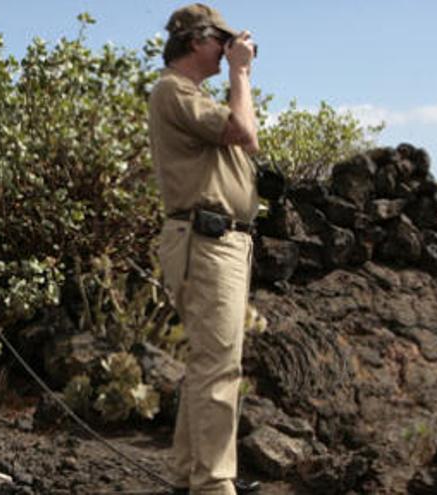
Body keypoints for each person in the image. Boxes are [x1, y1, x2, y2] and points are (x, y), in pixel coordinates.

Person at [149, 4, 261, 495]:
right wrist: (240, 72)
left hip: (218, 239)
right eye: (221, 41)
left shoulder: (189, 95)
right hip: (207, 239)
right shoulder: (173, 90)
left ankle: (190, 475)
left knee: (207, 364)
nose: (228, 49)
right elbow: (244, 133)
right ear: (197, 41)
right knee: (219, 366)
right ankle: (214, 484)